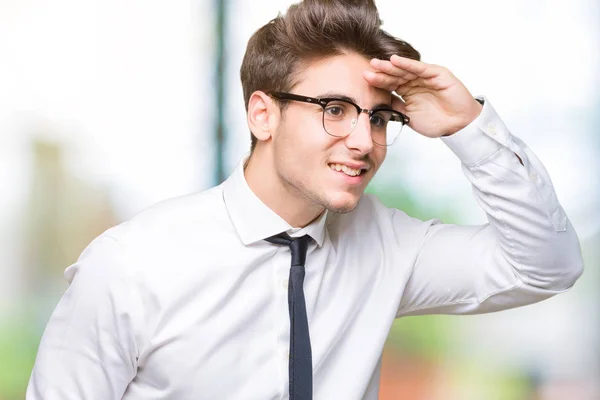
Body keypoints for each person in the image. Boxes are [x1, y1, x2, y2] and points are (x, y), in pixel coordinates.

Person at [27, 0, 584, 399]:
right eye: (334, 109)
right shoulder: (131, 264)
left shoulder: (389, 246)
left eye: (381, 117)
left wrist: (469, 129)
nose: (365, 142)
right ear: (262, 114)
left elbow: (547, 265)